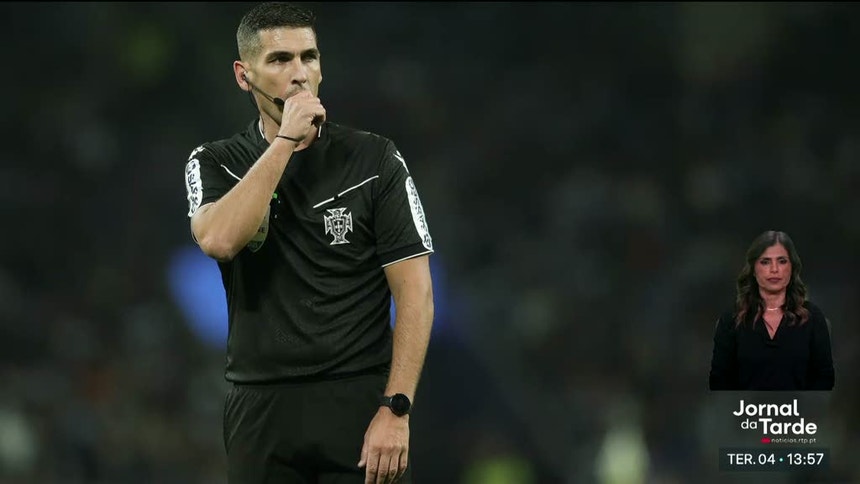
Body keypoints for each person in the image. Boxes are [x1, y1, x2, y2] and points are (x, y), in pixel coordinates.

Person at [182, 3, 435, 482]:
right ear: (244, 75)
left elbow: (416, 293)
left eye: (309, 57)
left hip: (358, 404)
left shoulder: (374, 159)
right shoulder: (216, 161)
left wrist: (396, 408)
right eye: (280, 59)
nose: (299, 73)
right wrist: (284, 142)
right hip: (260, 408)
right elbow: (218, 239)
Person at [708, 230, 834, 391]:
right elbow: (719, 381)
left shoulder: (812, 318)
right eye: (765, 262)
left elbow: (824, 378)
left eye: (782, 261)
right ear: (753, 269)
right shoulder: (731, 320)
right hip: (746, 407)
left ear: (792, 267)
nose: (774, 269)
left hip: (799, 407)